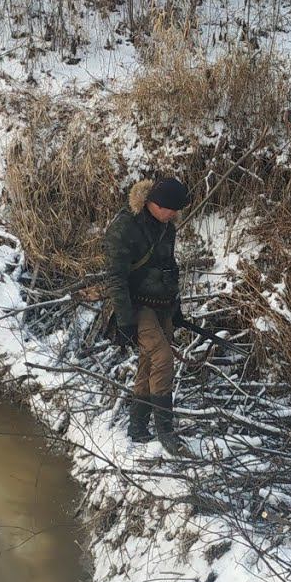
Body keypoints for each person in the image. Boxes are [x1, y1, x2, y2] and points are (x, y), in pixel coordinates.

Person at [104, 177, 191, 455]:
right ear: (155, 204)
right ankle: (166, 432)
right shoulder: (125, 226)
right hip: (135, 305)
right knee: (162, 358)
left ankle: (138, 427)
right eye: (171, 209)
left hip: (161, 304)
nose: (175, 215)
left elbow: (169, 266)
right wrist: (125, 320)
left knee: (149, 363)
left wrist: (176, 310)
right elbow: (115, 278)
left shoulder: (168, 227)